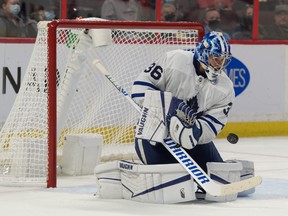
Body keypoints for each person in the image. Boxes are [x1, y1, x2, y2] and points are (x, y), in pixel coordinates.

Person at [95, 31, 256, 203]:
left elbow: (212, 126)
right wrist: (167, 107)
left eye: (222, 59)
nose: (219, 64)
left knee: (219, 176)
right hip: (154, 136)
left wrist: (193, 132)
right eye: (215, 58)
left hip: (191, 142)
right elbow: (140, 87)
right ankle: (124, 179)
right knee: (171, 184)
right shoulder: (175, 60)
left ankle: (233, 170)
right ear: (203, 53)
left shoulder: (225, 88)